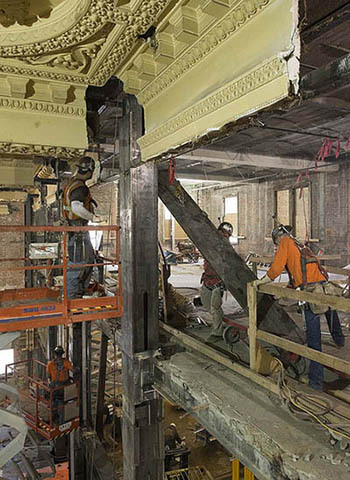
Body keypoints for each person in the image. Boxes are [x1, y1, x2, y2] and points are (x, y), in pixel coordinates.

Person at [254, 225, 345, 391]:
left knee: (313, 338)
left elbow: (276, 268)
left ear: (277, 238)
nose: (277, 246)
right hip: (323, 286)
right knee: (330, 311)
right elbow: (299, 273)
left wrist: (260, 282)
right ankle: (339, 340)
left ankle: (315, 382)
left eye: (276, 243)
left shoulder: (285, 243)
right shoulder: (299, 244)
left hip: (309, 292)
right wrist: (284, 293)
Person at [63, 156, 100, 298]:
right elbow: (76, 207)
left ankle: (80, 292)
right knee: (78, 265)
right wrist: (93, 217)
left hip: (78, 232)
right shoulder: (80, 187)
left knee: (89, 260)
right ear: (88, 171)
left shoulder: (72, 184)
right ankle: (71, 299)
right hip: (78, 232)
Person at [200, 222, 233, 343]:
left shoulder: (225, 246)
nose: (224, 236)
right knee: (206, 303)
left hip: (218, 281)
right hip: (207, 279)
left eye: (225, 235)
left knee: (215, 307)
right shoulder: (211, 241)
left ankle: (217, 333)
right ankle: (218, 322)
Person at [47, 346, 74, 424]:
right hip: (63, 388)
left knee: (53, 404)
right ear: (62, 354)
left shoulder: (50, 364)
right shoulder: (66, 362)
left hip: (54, 388)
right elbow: (73, 370)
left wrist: (51, 383)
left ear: (54, 354)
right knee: (62, 406)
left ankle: (52, 420)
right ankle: (61, 423)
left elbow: (48, 376)